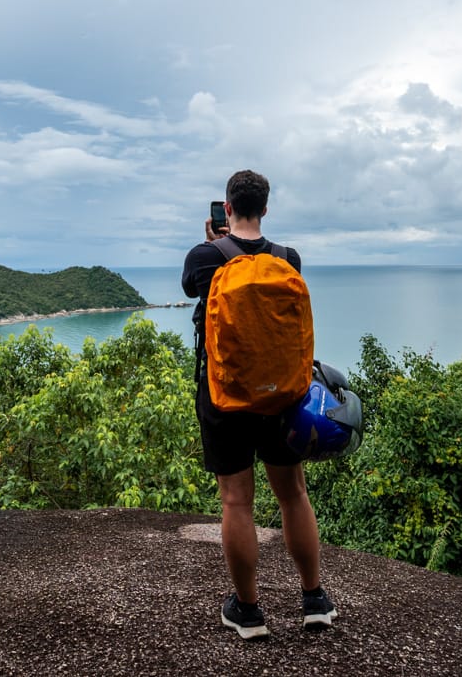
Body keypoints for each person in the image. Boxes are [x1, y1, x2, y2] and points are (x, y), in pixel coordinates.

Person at [182, 169, 337, 640]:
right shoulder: (289, 258)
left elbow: (192, 289)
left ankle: (248, 611)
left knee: (236, 501)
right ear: (265, 209)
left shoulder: (205, 256)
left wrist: (215, 241)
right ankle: (314, 600)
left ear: (226, 208)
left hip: (224, 397)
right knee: (293, 495)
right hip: (283, 397)